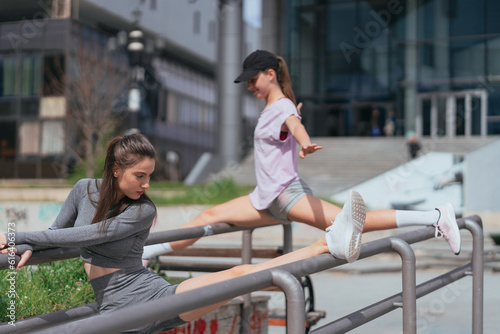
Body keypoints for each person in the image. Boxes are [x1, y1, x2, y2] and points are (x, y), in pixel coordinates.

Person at [0, 133, 366, 333]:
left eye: (150, 176)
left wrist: (17, 236)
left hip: (155, 298)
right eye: (138, 176)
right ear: (115, 170)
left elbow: (90, 237)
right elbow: (55, 235)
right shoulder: (83, 190)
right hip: (115, 307)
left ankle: (326, 242)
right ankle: (328, 241)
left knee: (239, 276)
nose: (146, 184)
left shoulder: (143, 211)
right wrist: (24, 245)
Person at [142, 50, 461, 263]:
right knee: (207, 218)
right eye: (247, 82)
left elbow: (293, 125)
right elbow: (291, 119)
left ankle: (435, 216)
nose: (250, 86)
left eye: (253, 80)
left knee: (356, 224)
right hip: (265, 200)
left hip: (288, 196)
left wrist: (305, 143)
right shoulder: (277, 105)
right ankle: (146, 253)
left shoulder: (281, 107)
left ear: (270, 74)